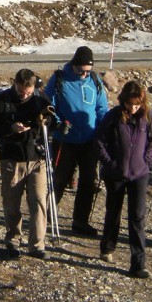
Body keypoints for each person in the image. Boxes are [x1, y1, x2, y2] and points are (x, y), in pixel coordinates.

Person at [0, 69, 58, 259]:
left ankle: (37, 245)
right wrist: (10, 128)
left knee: (39, 202)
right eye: (21, 91)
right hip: (12, 158)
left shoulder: (40, 100)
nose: (25, 95)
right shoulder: (2, 101)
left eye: (28, 91)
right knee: (12, 202)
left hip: (37, 158)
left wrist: (47, 121)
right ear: (15, 84)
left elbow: (53, 121)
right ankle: (13, 239)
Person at [44, 46, 109, 236]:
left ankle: (80, 221)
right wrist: (56, 124)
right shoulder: (59, 79)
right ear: (73, 65)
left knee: (88, 182)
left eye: (87, 71)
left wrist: (105, 129)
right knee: (60, 178)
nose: (83, 74)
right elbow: (49, 106)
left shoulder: (94, 81)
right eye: (81, 69)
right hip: (65, 139)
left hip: (89, 139)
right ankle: (48, 215)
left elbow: (102, 108)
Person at [95, 80, 152, 279]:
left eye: (137, 104)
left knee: (137, 218)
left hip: (139, 174)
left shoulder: (147, 117)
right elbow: (99, 141)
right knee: (113, 212)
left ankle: (138, 263)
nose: (133, 108)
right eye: (130, 103)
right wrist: (109, 162)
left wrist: (146, 160)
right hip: (116, 174)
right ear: (123, 100)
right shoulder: (112, 117)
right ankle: (108, 247)